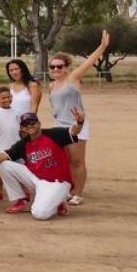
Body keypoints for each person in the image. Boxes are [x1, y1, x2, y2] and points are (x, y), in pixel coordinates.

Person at [47, 29, 108, 205]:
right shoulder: (51, 86)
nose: (56, 69)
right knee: (65, 160)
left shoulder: (72, 79)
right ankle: (70, 189)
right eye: (52, 67)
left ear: (66, 68)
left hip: (77, 126)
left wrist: (102, 47)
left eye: (60, 66)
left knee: (77, 160)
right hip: (60, 127)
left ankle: (78, 193)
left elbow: (89, 62)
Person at [0, 109, 84, 220]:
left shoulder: (53, 134)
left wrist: (80, 123)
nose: (30, 126)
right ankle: (20, 200)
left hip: (57, 182)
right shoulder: (24, 143)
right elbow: (5, 155)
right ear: (22, 128)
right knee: (3, 164)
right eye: (26, 124)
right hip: (36, 179)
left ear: (39, 123)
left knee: (39, 214)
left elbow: (74, 131)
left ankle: (58, 201)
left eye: (32, 123)